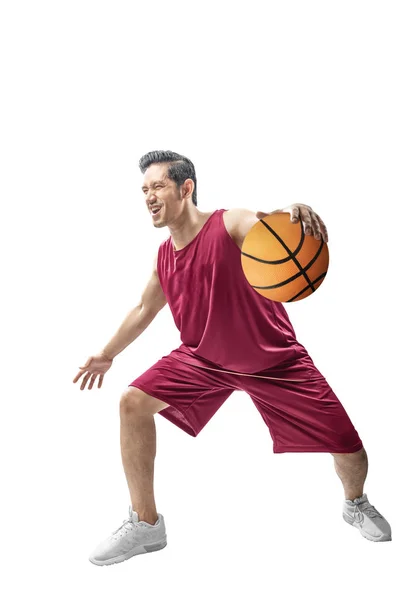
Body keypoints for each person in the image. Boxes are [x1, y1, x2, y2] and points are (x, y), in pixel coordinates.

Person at [73, 150, 391, 567]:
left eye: (158, 186)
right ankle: (146, 525)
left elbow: (270, 226)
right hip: (203, 360)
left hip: (276, 362)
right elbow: (143, 310)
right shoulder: (163, 256)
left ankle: (355, 503)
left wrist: (293, 212)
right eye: (144, 189)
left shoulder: (229, 222)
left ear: (186, 188)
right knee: (132, 403)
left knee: (350, 450)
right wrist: (106, 353)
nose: (149, 197)